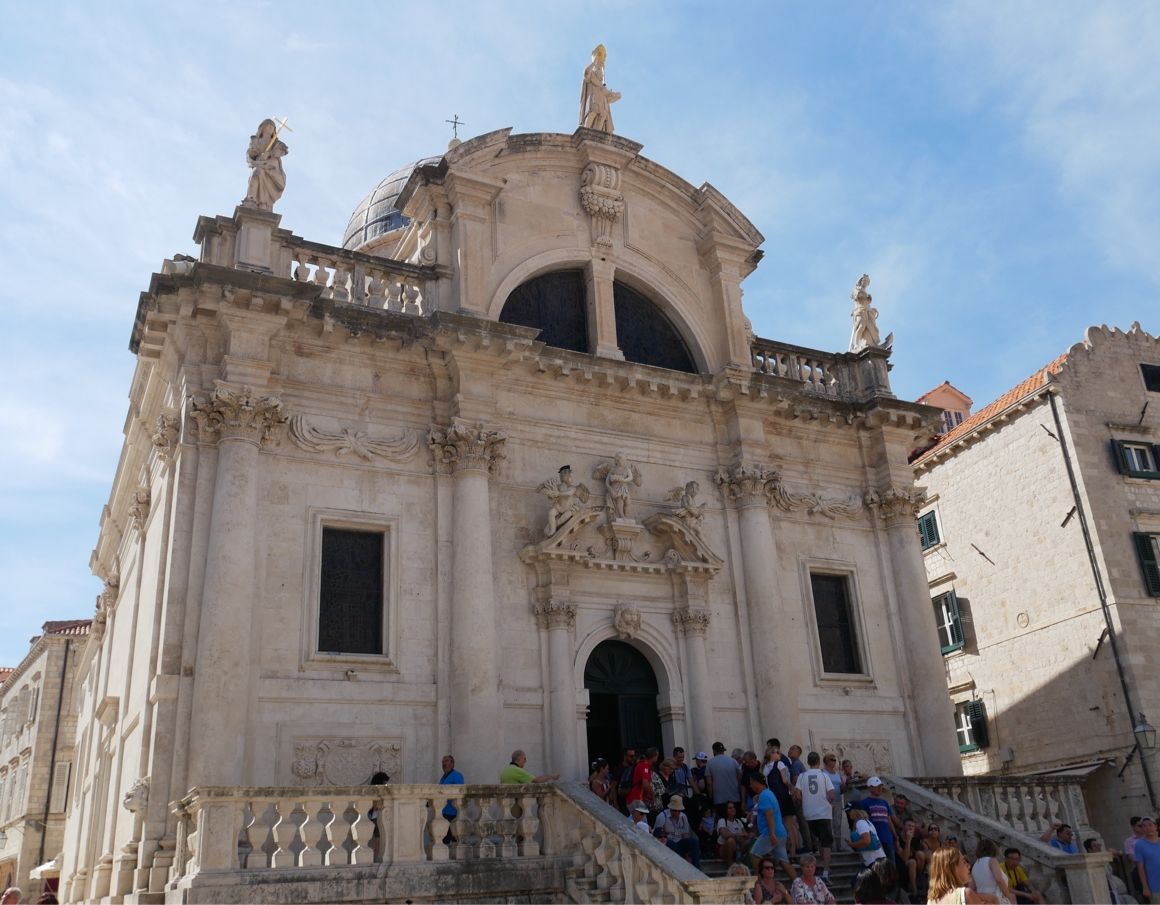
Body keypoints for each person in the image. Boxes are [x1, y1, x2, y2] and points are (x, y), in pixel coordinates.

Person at [794, 751, 836, 881]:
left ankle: (819, 867)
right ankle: (826, 871)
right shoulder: (824, 775)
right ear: (818, 762)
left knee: (817, 841)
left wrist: (806, 801)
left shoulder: (802, 776)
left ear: (808, 762)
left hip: (809, 813)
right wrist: (827, 803)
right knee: (826, 843)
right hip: (823, 813)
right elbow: (832, 794)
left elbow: (797, 795)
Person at [748, 772, 796, 881]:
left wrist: (772, 834)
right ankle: (800, 885)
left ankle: (759, 883)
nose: (750, 786)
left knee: (754, 855)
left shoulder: (764, 796)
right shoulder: (769, 793)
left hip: (770, 833)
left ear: (756, 782)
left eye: (751, 783)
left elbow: (769, 814)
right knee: (784, 862)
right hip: (780, 832)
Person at [243, 119, 288, 211]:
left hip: (272, 168)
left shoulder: (276, 143)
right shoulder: (256, 140)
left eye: (272, 127)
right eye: (267, 126)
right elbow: (250, 154)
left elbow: (283, 150)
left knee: (261, 174)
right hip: (259, 164)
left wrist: (270, 153)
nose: (269, 128)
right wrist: (255, 155)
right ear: (262, 128)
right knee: (257, 173)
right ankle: (251, 199)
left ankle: (264, 203)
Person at [927, 847, 999, 904]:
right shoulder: (965, 894)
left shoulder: (931, 901)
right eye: (964, 862)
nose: (969, 866)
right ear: (953, 868)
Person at [578, 43, 621, 133]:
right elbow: (586, 73)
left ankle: (597, 134)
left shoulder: (602, 84)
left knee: (603, 115)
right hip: (594, 99)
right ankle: (586, 131)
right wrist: (594, 63)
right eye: (599, 70)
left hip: (602, 101)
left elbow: (608, 94)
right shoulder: (592, 75)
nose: (601, 73)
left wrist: (616, 95)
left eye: (601, 72)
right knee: (593, 112)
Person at [654, 794, 701, 868]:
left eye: (678, 811)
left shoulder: (683, 817)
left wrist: (687, 854)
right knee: (671, 843)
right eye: (674, 810)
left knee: (694, 842)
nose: (677, 813)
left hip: (679, 843)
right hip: (667, 844)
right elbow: (656, 835)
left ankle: (696, 867)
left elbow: (685, 835)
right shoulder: (662, 816)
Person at [860, 777, 899, 864]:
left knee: (891, 865)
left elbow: (889, 820)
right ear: (870, 788)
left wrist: (895, 835)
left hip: (888, 839)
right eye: (877, 787)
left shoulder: (884, 802)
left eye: (880, 786)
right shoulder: (864, 803)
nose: (880, 789)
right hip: (875, 840)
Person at [971, 838, 1013, 904]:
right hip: (996, 900)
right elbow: (999, 880)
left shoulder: (975, 865)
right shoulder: (992, 860)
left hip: (983, 901)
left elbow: (971, 887)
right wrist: (1009, 897)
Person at [707, 741, 742, 818]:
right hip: (734, 798)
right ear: (723, 751)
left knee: (722, 821)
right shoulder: (733, 761)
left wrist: (711, 798)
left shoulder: (710, 763)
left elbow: (709, 783)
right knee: (736, 820)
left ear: (714, 751)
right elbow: (740, 778)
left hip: (719, 800)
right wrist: (740, 792)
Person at [822, 754, 846, 852]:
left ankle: (838, 846)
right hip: (827, 802)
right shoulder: (823, 773)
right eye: (832, 760)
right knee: (828, 825)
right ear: (826, 761)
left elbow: (842, 789)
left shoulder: (837, 774)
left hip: (838, 801)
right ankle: (830, 846)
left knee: (837, 824)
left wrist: (845, 785)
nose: (834, 761)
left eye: (834, 760)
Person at [1135, 815, 1160, 904]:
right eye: (1144, 826)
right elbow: (1140, 868)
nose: (1148, 828)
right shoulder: (1139, 845)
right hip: (1155, 887)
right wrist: (1145, 887)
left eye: (1150, 825)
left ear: (1156, 827)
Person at [439, 754, 464, 824]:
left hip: (453, 813)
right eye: (443, 762)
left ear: (452, 764)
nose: (444, 763)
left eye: (446, 761)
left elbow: (460, 793)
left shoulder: (457, 775)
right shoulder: (443, 777)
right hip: (442, 812)